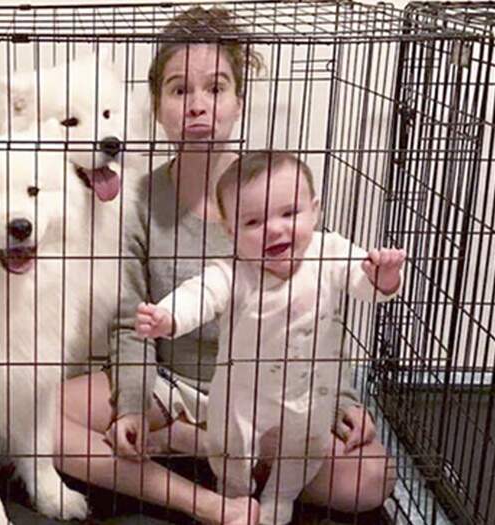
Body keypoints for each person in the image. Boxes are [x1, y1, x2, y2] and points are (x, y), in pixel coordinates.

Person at [53, 7, 396, 524]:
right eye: (179, 90)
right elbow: (130, 321)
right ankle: (210, 501)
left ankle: (206, 449)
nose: (198, 105)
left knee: (371, 478)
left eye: (216, 88)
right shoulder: (137, 199)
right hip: (170, 386)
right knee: (42, 421)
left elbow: (323, 301)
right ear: (158, 105)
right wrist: (132, 405)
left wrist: (341, 398)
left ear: (238, 100)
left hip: (270, 394)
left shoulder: (274, 188)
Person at [135, 151, 405, 524]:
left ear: (315, 211)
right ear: (230, 232)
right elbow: (201, 293)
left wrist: (384, 276)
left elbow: (364, 282)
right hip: (243, 393)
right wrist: (168, 317)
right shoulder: (235, 271)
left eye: (289, 213)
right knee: (231, 446)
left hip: (309, 392)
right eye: (253, 221)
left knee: (304, 449)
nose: (274, 229)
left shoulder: (329, 252)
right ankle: (233, 494)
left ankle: (280, 499)